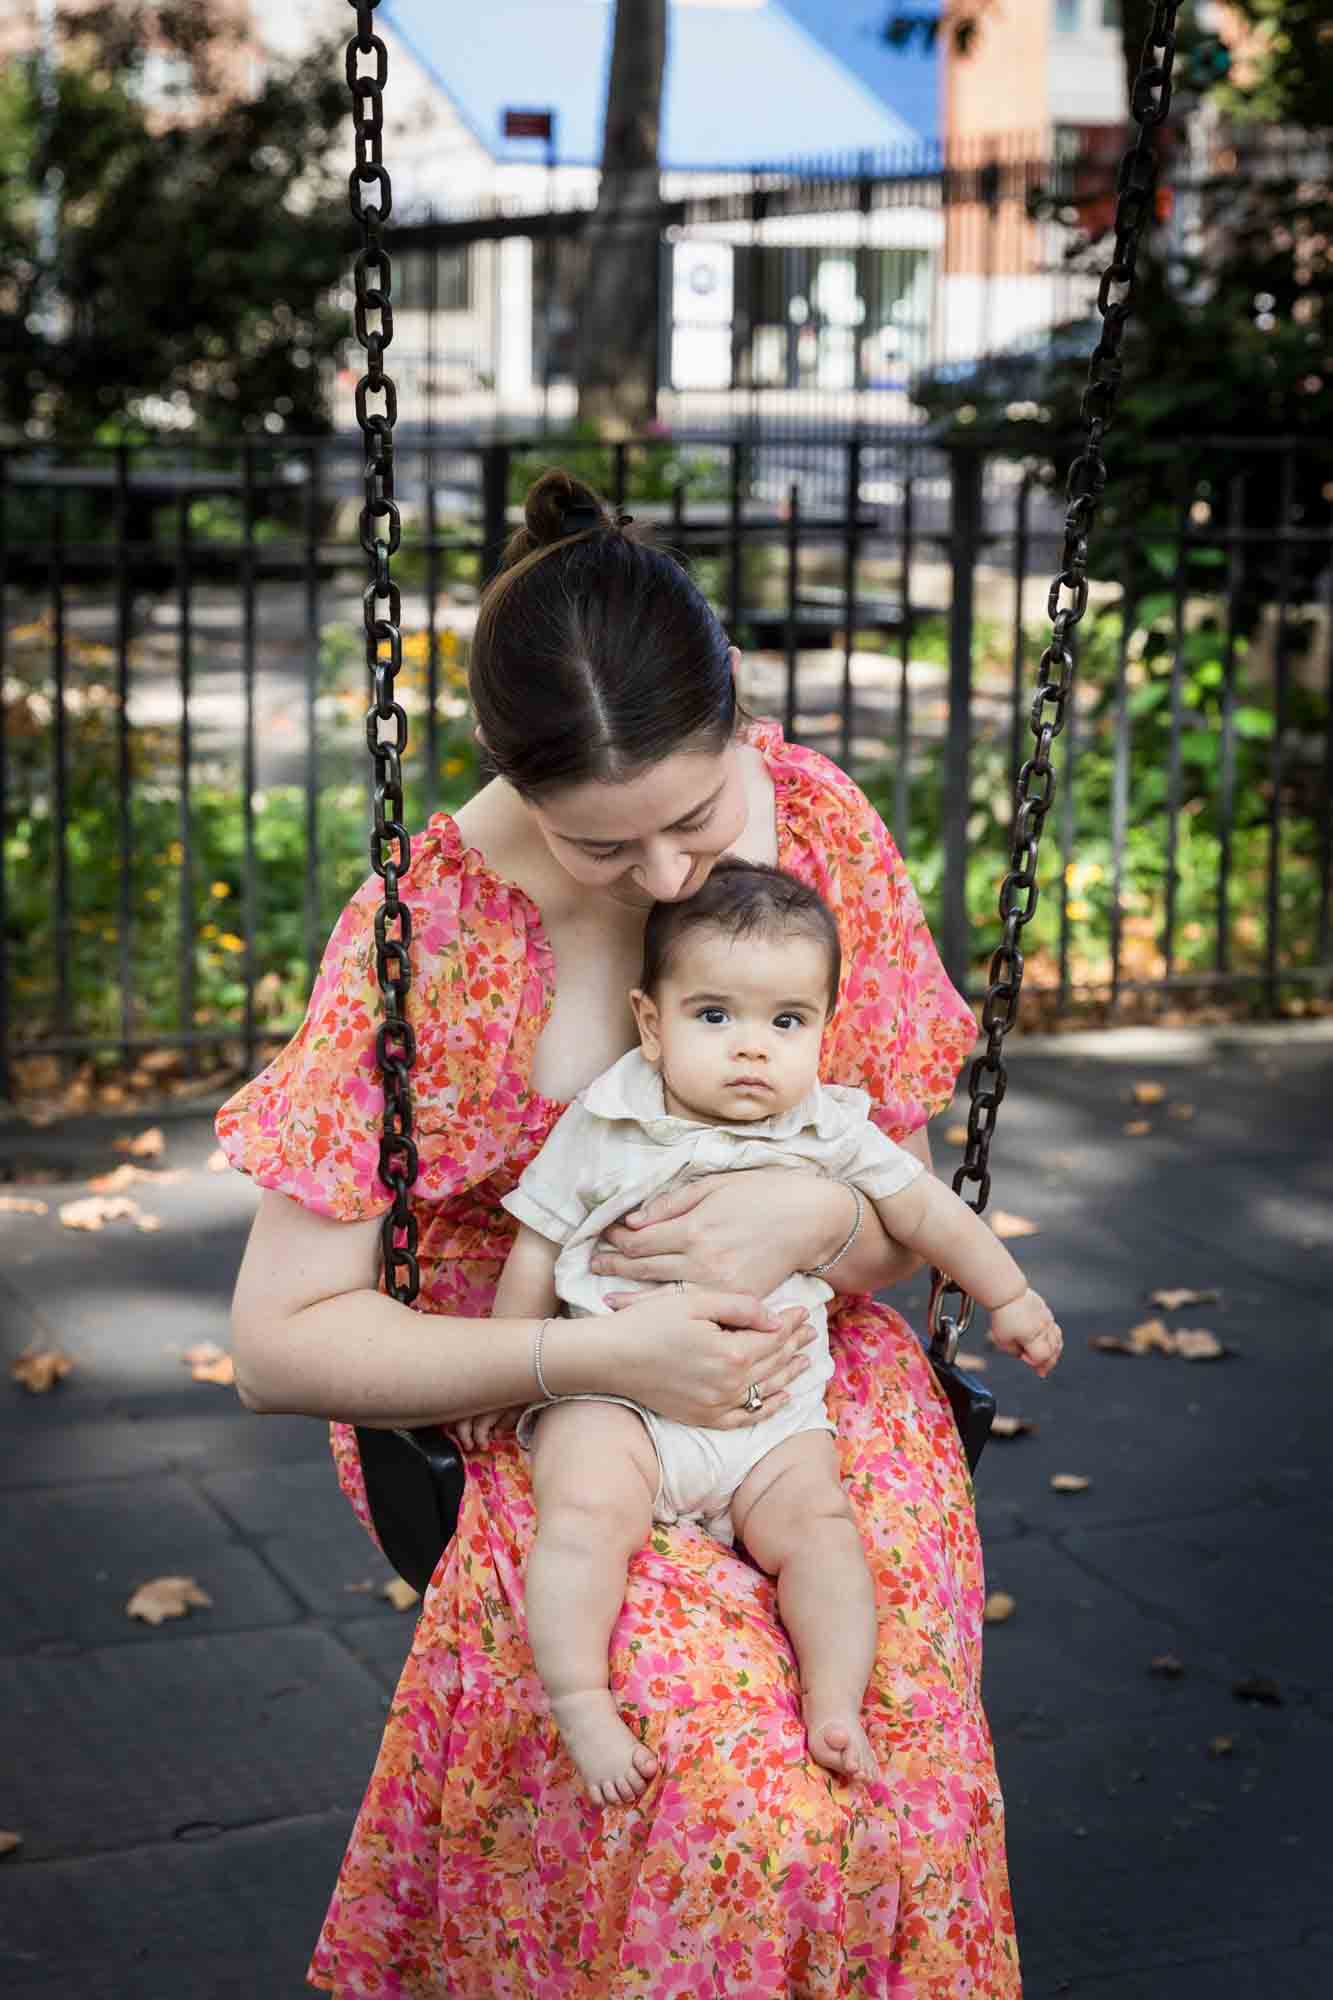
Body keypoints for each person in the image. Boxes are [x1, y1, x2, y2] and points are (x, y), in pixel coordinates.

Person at [218, 467, 1043, 1996]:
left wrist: (813, 1207)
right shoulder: (429, 931)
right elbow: (276, 1345)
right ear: (522, 791)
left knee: (893, 1778)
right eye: (608, 850)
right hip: (536, 1394)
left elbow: (898, 1212)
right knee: (716, 1796)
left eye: (695, 817)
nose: (671, 880)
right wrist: (593, 1351)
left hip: (802, 1368)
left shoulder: (820, 827)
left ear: (741, 730)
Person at [473, 857, 1062, 1810]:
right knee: (581, 1516)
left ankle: (834, 1705)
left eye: (785, 1022)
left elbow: (930, 1216)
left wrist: (1011, 1294)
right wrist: (502, 1378)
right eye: (715, 1016)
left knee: (825, 1534)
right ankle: (580, 1698)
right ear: (651, 1024)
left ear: (822, 1031)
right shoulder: (610, 1118)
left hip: (770, 1417)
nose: (752, 1049)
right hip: (619, 1397)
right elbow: (537, 1250)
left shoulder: (828, 1126)